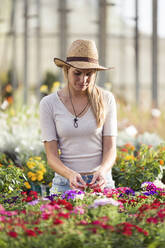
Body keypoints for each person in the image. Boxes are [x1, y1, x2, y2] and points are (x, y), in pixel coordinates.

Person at [39, 39, 117, 194]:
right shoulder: (49, 103)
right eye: (77, 73)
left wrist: (102, 171)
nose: (83, 80)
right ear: (66, 70)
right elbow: (52, 156)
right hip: (65, 183)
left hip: (101, 182)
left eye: (89, 74)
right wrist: (71, 175)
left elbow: (110, 148)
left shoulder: (106, 99)